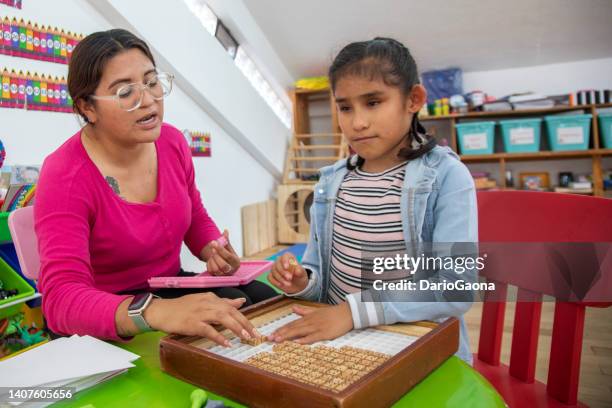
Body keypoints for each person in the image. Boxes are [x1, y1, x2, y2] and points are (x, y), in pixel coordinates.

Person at [34, 29, 276, 346]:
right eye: (125, 93)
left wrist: (215, 249)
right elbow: (61, 300)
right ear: (87, 107)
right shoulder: (65, 175)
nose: (148, 100)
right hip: (105, 316)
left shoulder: (172, 142)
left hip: (166, 290)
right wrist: (153, 311)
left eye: (151, 82)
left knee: (260, 301)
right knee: (228, 325)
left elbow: (194, 216)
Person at [267, 37, 477, 363]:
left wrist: (353, 312)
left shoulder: (446, 177)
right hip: (336, 345)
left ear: (413, 100)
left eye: (373, 102)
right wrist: (302, 282)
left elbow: (455, 288)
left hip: (411, 347)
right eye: (345, 107)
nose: (357, 122)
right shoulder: (331, 181)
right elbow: (319, 273)